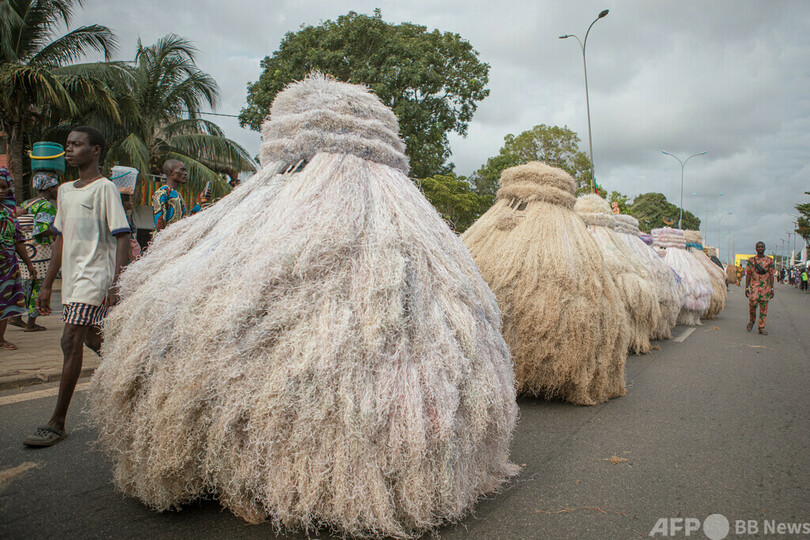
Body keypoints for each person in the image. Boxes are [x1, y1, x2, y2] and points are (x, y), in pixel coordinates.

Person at [23, 126, 130, 447]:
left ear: (95, 150)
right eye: (68, 145)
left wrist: (117, 282)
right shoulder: (66, 190)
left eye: (77, 144)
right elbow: (60, 239)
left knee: (70, 340)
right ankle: (136, 377)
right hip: (71, 281)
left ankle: (57, 423)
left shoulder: (105, 189)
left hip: (94, 278)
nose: (69, 149)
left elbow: (122, 235)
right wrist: (46, 285)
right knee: (95, 341)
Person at [9, 171, 59, 332]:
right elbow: (42, 230)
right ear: (50, 188)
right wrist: (60, 231)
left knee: (26, 284)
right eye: (56, 187)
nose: (57, 190)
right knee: (40, 284)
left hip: (24, 249)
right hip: (40, 250)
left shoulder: (27, 203)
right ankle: (31, 323)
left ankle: (16, 316)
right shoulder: (47, 206)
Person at [0, 169, 37, 349]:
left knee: (5, 303)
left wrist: (29, 265)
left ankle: (1, 339)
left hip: (7, 268)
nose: (1, 191)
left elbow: (19, 241)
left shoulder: (10, 214)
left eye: (4, 187)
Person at [745, 241, 775, 335]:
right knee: (752, 305)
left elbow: (771, 274)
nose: (760, 248)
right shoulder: (751, 260)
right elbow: (748, 274)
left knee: (764, 308)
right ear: (756, 248)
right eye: (758, 247)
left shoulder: (769, 260)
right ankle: (752, 321)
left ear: (764, 248)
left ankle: (761, 327)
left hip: (765, 288)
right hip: (754, 287)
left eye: (762, 247)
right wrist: (746, 287)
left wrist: (772, 288)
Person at [151, 159, 189, 232]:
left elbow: (186, 220)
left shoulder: (178, 195)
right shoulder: (162, 193)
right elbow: (159, 225)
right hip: (167, 238)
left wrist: (200, 203)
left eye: (185, 170)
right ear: (171, 172)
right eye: (182, 170)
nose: (185, 173)